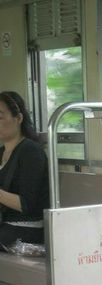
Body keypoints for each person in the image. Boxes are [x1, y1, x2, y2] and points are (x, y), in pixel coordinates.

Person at [0, 91, 49, 250]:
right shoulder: (1, 152)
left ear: (19, 118)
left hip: (28, 227)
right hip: (5, 224)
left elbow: (26, 204)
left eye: (0, 117)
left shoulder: (31, 152)